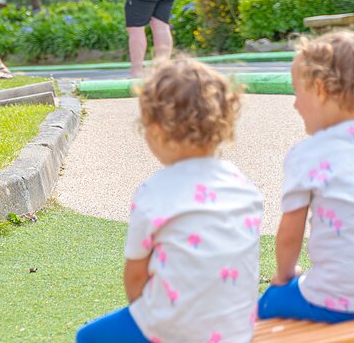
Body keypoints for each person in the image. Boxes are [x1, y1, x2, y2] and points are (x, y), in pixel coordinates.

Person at [76, 58, 263, 343]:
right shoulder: (244, 186)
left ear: (157, 130)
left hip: (172, 329)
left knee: (88, 336)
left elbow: (136, 277)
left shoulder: (154, 191)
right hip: (237, 329)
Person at [259, 30, 354, 324]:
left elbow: (290, 235)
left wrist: (283, 277)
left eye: (297, 92)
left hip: (338, 302)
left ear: (319, 89)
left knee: (269, 302)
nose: (294, 104)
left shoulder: (308, 154)